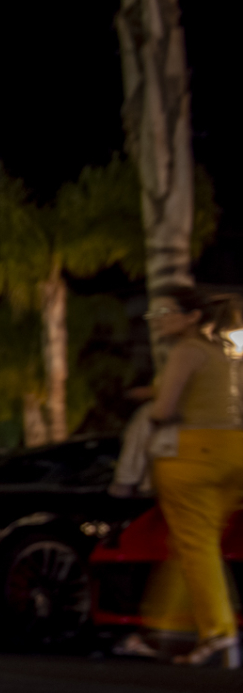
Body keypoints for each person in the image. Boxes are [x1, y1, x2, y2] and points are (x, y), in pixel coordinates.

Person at [138, 286, 243, 669]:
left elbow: (164, 408)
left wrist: (150, 409)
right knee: (195, 545)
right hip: (234, 451)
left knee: (196, 545)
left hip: (193, 455)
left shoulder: (187, 351)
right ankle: (165, 629)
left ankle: (219, 633)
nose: (160, 320)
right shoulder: (224, 354)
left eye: (166, 312)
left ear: (193, 317)